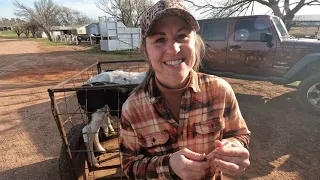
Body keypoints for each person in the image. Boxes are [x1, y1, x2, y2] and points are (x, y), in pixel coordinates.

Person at [119, 0, 251, 179]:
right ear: (145, 51)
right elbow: (129, 166)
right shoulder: (132, 109)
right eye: (159, 40)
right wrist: (168, 166)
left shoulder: (220, 91)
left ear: (195, 44)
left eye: (181, 36)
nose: (173, 49)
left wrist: (234, 147)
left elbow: (239, 134)